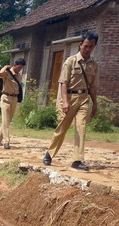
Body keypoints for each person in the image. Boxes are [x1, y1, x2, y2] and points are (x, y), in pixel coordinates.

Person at [43, 31, 100, 171]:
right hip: (69, 98)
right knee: (62, 128)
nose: (87, 49)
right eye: (85, 46)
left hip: (84, 99)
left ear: (94, 47)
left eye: (91, 47)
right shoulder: (70, 61)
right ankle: (49, 154)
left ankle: (77, 160)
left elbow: (92, 86)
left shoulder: (94, 64)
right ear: (80, 45)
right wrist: (66, 102)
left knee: (81, 128)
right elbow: (63, 83)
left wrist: (95, 104)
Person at [0, 58, 26, 150]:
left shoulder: (19, 76)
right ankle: (6, 141)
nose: (20, 69)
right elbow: (0, 74)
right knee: (6, 121)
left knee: (8, 120)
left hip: (14, 98)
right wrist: (5, 66)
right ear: (15, 64)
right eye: (19, 67)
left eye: (22, 68)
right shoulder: (7, 72)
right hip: (6, 98)